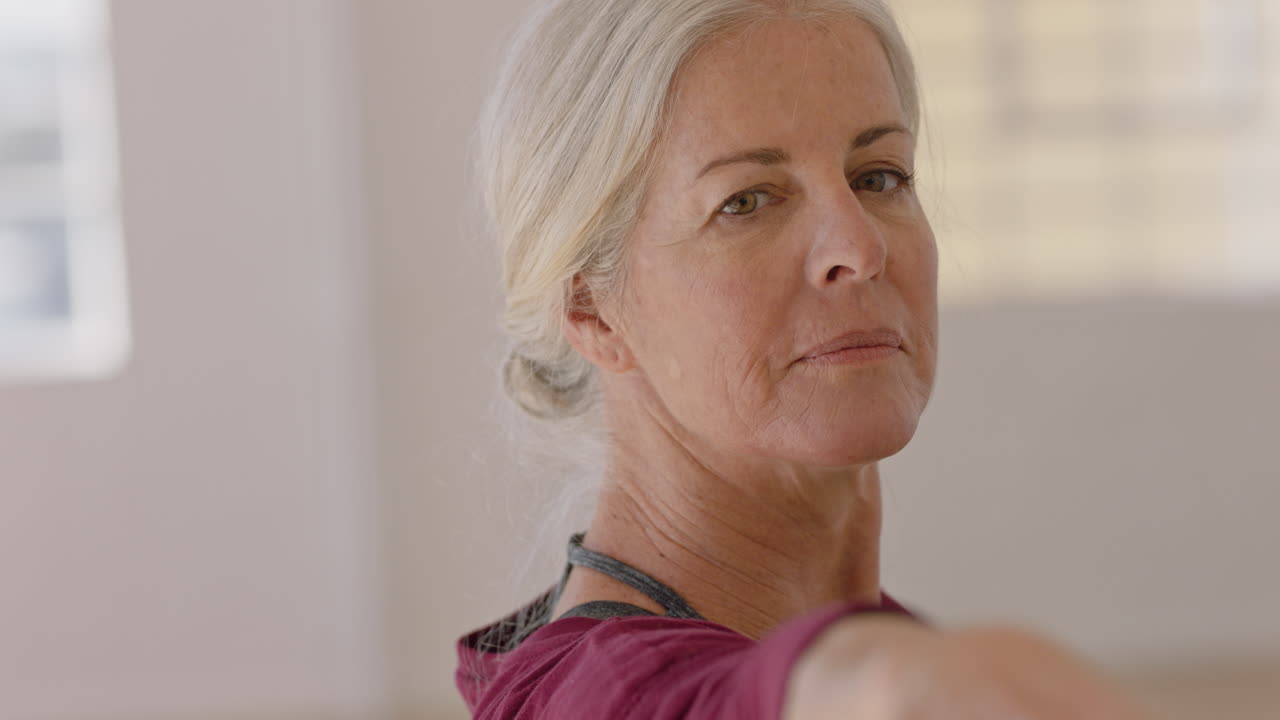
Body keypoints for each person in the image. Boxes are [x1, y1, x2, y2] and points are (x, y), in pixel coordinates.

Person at [456, 0, 1154, 717]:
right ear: (592, 310)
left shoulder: (885, 639)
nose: (859, 248)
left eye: (878, 177)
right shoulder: (601, 698)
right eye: (747, 201)